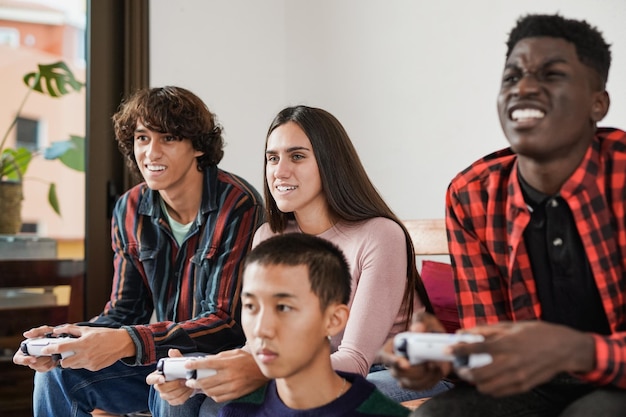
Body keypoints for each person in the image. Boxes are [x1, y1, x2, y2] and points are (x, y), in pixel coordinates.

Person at [380, 13, 626, 417]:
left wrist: (574, 349)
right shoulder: (471, 196)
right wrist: (443, 360)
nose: (524, 87)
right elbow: (491, 344)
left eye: (552, 75)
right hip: (532, 384)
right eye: (512, 77)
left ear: (597, 103)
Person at [180, 105, 452, 413]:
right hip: (306, 367)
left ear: (330, 163)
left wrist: (256, 372)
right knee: (187, 390)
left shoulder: (379, 235)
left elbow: (355, 361)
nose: (279, 171)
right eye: (272, 158)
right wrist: (204, 372)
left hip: (394, 373)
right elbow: (257, 346)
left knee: (295, 397)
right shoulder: (269, 237)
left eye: (297, 156)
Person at [12, 86, 264, 417]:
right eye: (143, 138)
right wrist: (67, 339)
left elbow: (225, 323)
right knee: (56, 374)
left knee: (172, 381)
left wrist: (129, 341)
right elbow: (124, 311)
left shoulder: (237, 204)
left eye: (168, 139)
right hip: (157, 356)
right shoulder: (129, 208)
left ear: (198, 148)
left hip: (220, 362)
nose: (151, 152)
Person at [219, 232, 411, 416]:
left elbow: (356, 358)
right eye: (250, 306)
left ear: (334, 320)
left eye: (284, 308)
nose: (261, 329)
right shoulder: (236, 411)